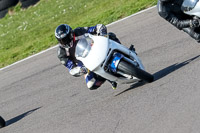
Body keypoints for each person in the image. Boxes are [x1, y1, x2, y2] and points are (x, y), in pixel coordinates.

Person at [55, 24, 121, 90]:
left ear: (71, 34)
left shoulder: (79, 31)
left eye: (66, 38)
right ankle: (109, 77)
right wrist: (80, 70)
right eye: (62, 40)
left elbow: (99, 27)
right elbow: (71, 67)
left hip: (96, 49)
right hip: (86, 64)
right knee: (91, 84)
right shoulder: (61, 53)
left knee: (110, 36)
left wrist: (103, 35)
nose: (65, 42)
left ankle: (122, 51)